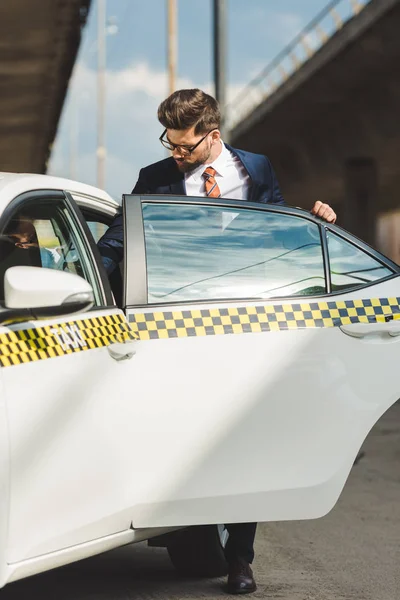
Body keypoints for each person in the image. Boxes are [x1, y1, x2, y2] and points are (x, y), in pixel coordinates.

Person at [97, 88, 336, 595]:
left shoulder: (257, 169)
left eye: (186, 147)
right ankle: (197, 536)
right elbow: (120, 237)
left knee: (242, 439)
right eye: (170, 144)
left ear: (213, 135)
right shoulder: (155, 178)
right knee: (190, 434)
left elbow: (274, 230)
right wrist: (89, 276)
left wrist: (310, 223)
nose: (176, 155)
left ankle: (240, 560)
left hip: (246, 324)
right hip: (178, 328)